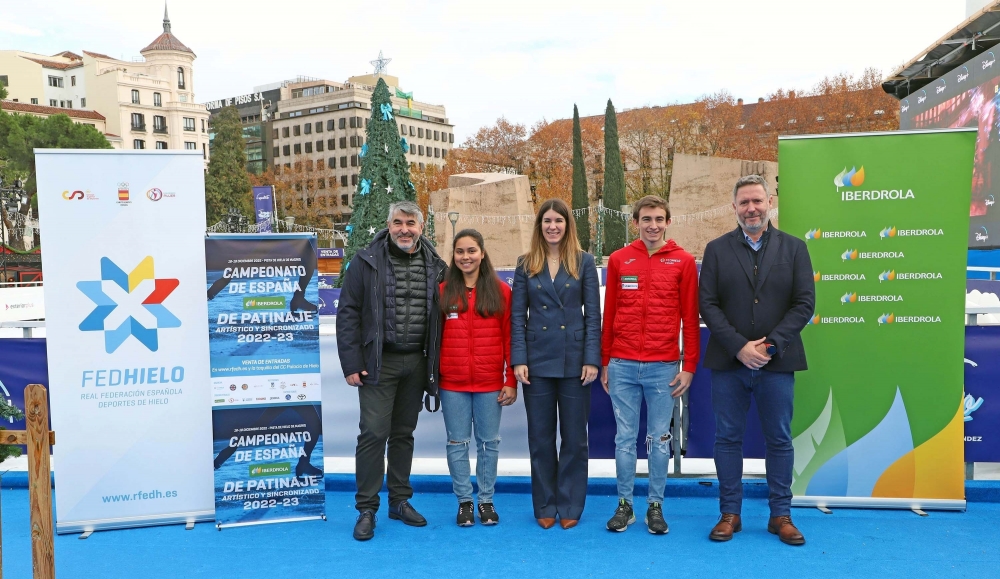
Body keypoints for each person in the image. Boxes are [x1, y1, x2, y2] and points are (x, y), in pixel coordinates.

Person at [699, 174, 815, 545]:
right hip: (729, 363)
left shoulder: (794, 249)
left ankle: (780, 515)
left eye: (757, 201)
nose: (751, 208)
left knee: (779, 439)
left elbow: (804, 304)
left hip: (776, 363)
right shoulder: (716, 249)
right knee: (727, 439)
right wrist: (739, 347)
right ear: (734, 207)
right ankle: (730, 513)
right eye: (744, 202)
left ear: (769, 203)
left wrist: (769, 346)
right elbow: (709, 304)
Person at [336, 200, 448, 542]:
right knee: (372, 434)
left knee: (403, 434)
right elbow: (348, 313)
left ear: (421, 227)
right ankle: (366, 509)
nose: (404, 229)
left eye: (411, 223)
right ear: (389, 224)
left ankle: (399, 501)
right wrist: (352, 363)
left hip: (416, 362)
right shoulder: (365, 261)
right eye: (398, 222)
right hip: (377, 364)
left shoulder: (437, 265)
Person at [600, 195, 700, 534]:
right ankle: (625, 505)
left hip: (664, 367)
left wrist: (689, 366)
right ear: (636, 222)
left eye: (659, 218)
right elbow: (609, 313)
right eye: (646, 219)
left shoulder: (684, 261)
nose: (653, 225)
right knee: (624, 439)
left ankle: (655, 505)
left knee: (659, 439)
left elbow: (690, 317)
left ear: (668, 222)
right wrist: (604, 361)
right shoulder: (618, 260)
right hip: (622, 365)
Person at [511, 198, 601, 530]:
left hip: (576, 362)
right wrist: (518, 359)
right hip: (536, 362)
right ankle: (546, 504)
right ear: (539, 226)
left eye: (558, 221)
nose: (552, 226)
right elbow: (517, 317)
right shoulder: (525, 264)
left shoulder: (584, 261)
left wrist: (592, 358)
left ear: (567, 225)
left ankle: (571, 503)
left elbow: (593, 315)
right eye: (547, 221)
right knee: (541, 438)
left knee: (576, 439)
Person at [438, 229, 517, 527]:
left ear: (482, 253)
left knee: (488, 443)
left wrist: (511, 379)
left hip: (489, 383)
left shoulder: (501, 291)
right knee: (457, 443)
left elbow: (510, 338)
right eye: (460, 252)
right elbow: (434, 340)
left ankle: (485, 500)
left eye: (471, 251)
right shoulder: (443, 291)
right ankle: (464, 503)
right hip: (453, 383)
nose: (466, 257)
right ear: (454, 256)